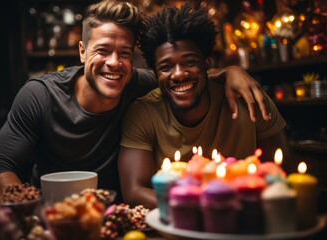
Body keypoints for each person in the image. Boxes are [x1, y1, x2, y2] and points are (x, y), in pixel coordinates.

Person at [0, 0, 271, 200]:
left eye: (124, 53)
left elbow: (185, 75)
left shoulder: (138, 82)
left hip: (116, 214)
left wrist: (232, 72)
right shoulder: (40, 96)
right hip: (53, 215)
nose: (114, 63)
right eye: (103, 50)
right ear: (83, 52)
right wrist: (27, 205)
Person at [118, 3, 295, 209]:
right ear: (156, 75)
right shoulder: (143, 112)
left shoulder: (248, 98)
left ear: (206, 64)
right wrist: (201, 205)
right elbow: (134, 191)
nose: (178, 74)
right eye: (166, 67)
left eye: (189, 62)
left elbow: (285, 174)